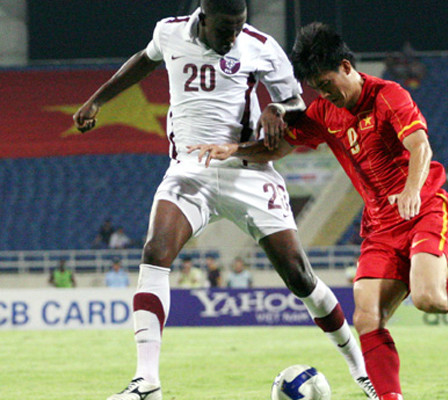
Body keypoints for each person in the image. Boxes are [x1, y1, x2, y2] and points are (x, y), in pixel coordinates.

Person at [190, 22, 448, 400]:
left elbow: (420, 145)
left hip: (424, 208)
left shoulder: (387, 95)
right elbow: (278, 147)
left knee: (429, 298)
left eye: (327, 83)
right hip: (379, 226)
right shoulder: (325, 111)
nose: (324, 93)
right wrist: (235, 151)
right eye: (317, 88)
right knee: (366, 318)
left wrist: (411, 190)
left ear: (346, 67)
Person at [73, 2, 374, 399]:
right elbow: (144, 61)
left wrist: (276, 108)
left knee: (299, 275)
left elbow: (298, 106)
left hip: (247, 169)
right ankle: (147, 382)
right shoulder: (170, 32)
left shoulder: (260, 46)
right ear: (203, 17)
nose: (233, 36)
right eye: (225, 27)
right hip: (190, 170)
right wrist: (97, 100)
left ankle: (362, 371)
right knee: (155, 252)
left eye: (239, 26)